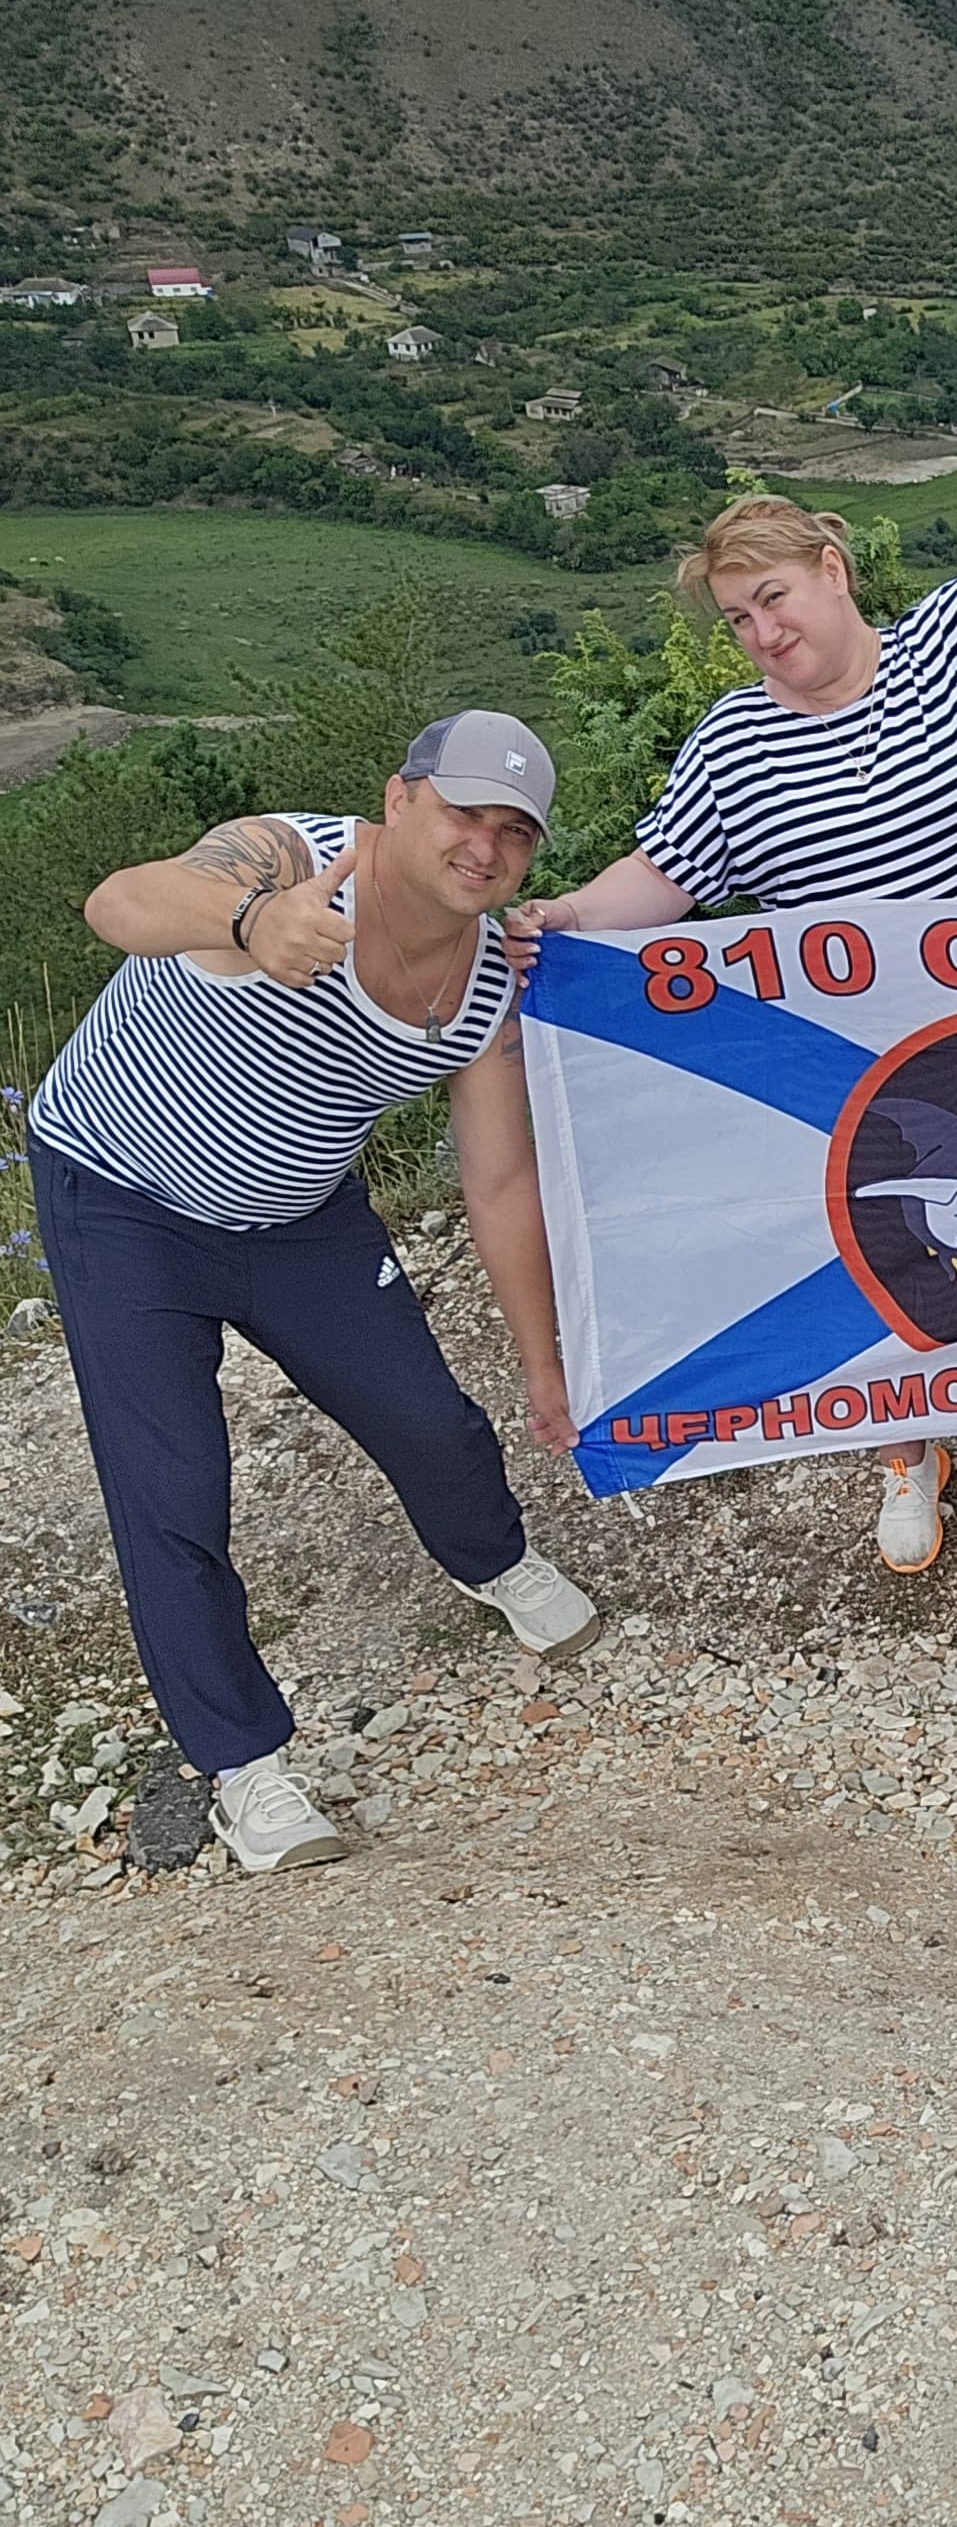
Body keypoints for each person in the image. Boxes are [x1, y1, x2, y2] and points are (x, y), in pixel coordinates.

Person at [517, 233, 957, 1577]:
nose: (763, 633)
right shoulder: (729, 743)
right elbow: (664, 876)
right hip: (853, 1061)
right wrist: (573, 920)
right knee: (892, 1240)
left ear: (831, 566)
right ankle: (905, 1442)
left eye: (771, 598)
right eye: (738, 620)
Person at [27, 713, 600, 1876]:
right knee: (172, 1488)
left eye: (514, 832)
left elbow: (498, 1182)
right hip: (123, 1200)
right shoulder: (290, 859)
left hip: (298, 1214)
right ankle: (244, 1765)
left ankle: (488, 1557)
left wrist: (544, 1365)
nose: (483, 847)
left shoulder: (489, 980)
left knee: (432, 1420)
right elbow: (118, 902)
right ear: (399, 799)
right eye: (463, 812)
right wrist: (249, 920)